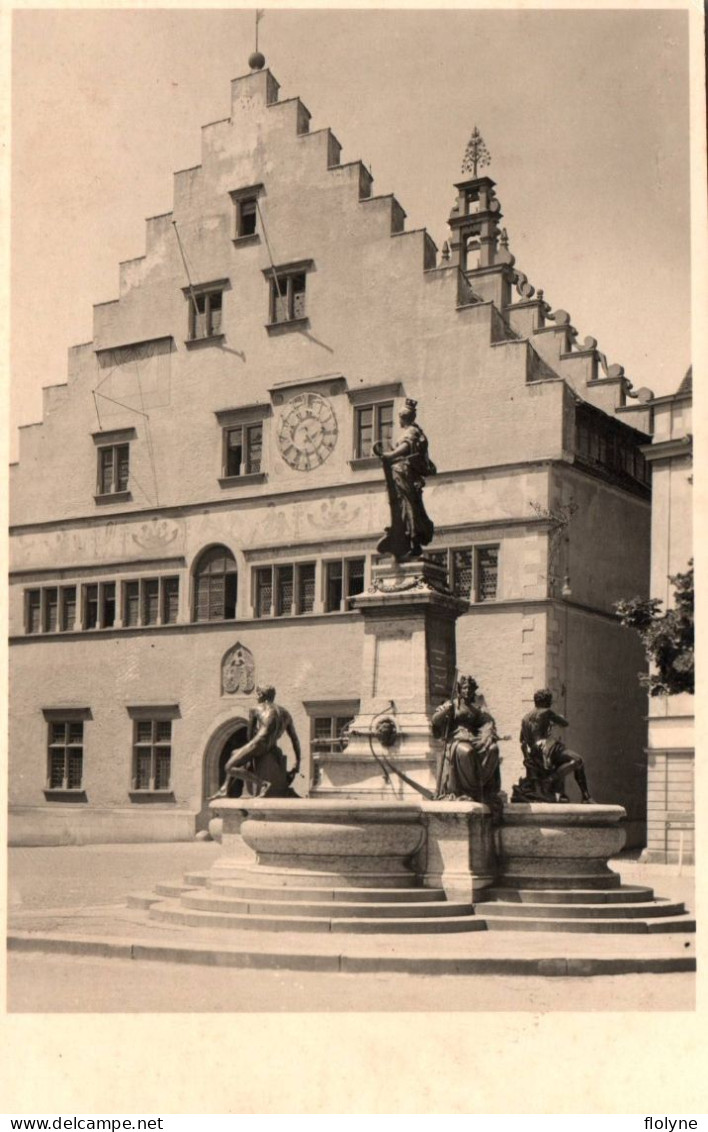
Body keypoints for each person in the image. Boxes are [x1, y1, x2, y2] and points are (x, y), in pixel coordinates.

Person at [209, 685, 301, 800]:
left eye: (257, 695)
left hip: (258, 744)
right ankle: (224, 789)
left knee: (228, 767)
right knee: (234, 753)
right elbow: (295, 739)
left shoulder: (256, 708)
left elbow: (249, 735)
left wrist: (249, 756)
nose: (256, 698)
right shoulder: (285, 713)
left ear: (261, 695)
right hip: (270, 746)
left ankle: (263, 784)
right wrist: (298, 761)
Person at [373, 398, 436, 561]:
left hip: (404, 472)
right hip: (401, 473)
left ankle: (411, 538)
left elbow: (406, 447)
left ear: (403, 418)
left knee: (407, 505)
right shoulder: (414, 431)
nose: (398, 421)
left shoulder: (411, 432)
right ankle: (404, 535)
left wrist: (390, 455)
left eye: (399, 418)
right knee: (403, 505)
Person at [512, 688, 594, 803]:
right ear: (546, 701)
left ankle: (554, 786)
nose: (550, 703)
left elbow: (522, 740)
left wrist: (527, 757)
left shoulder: (525, 718)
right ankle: (585, 796)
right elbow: (564, 723)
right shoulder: (546, 712)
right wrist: (555, 718)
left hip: (535, 754)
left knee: (566, 763)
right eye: (550, 701)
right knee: (578, 760)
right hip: (548, 748)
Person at [431, 675, 501, 805]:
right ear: (459, 689)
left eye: (470, 688)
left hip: (473, 739)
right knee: (467, 752)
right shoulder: (452, 705)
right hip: (456, 739)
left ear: (474, 690)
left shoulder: (476, 710)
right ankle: (470, 790)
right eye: (464, 688)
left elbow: (487, 722)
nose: (467, 690)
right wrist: (445, 711)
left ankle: (480, 786)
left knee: (493, 749)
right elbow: (435, 720)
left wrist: (489, 732)